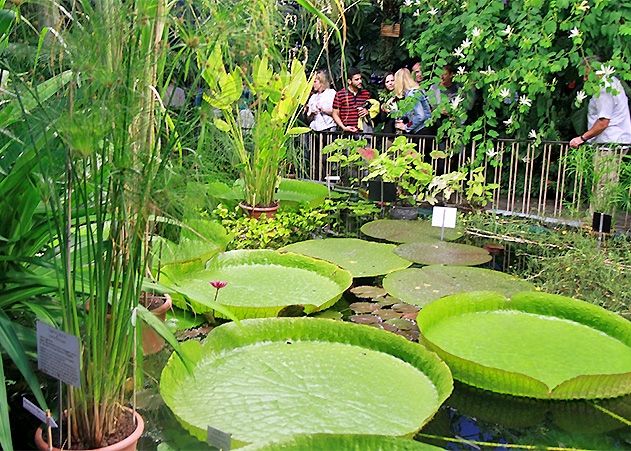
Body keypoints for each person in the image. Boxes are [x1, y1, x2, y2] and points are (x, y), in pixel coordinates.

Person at [569, 61, 631, 213]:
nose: (583, 79)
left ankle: (599, 224)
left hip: (609, 142)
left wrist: (582, 138)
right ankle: (597, 220)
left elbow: (603, 121)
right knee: (604, 183)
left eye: (585, 74)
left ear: (592, 71)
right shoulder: (611, 83)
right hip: (613, 141)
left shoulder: (604, 87)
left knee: (605, 183)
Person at [332, 67, 371, 134]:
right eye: (357, 79)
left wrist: (367, 112)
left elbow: (372, 109)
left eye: (360, 78)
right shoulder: (340, 94)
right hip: (346, 132)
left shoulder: (366, 94)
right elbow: (335, 113)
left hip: (363, 131)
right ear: (349, 81)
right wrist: (343, 127)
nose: (360, 81)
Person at [393, 68, 432, 134]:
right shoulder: (414, 92)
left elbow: (420, 116)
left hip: (423, 130)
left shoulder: (413, 94)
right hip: (423, 129)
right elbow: (409, 112)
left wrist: (406, 126)